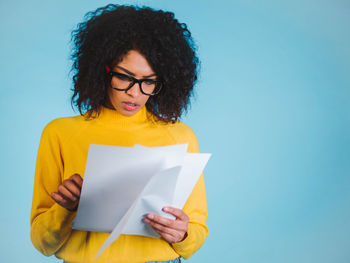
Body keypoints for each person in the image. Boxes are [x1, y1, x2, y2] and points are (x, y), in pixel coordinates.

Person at [30, 4, 208, 263]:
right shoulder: (59, 133)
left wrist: (182, 234)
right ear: (103, 71)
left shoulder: (180, 136)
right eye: (124, 77)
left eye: (149, 81)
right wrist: (64, 210)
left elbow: (197, 232)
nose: (135, 93)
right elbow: (41, 244)